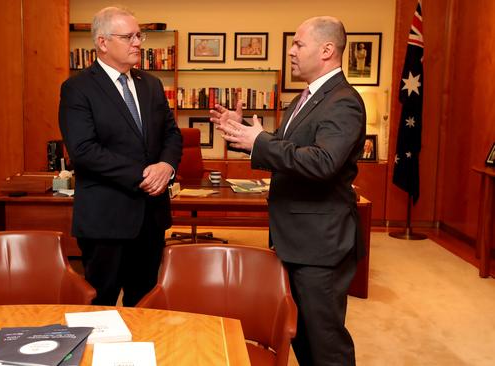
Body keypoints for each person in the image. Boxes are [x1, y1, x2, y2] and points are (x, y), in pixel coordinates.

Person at [210, 16, 365, 365]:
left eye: (298, 44)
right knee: (303, 338)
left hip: (320, 245)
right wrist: (241, 135)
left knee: (325, 344)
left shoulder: (343, 101)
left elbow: (324, 162)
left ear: (327, 50)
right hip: (296, 239)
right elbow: (283, 149)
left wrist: (260, 141)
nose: (291, 52)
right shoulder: (306, 98)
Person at [58, 6, 182, 307]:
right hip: (106, 219)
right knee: (101, 303)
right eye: (129, 37)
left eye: (139, 35)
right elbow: (84, 151)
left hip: (150, 217)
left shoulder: (150, 84)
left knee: (145, 301)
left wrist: (166, 166)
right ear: (102, 42)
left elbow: (171, 134)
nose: (138, 42)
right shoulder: (78, 88)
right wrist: (144, 175)